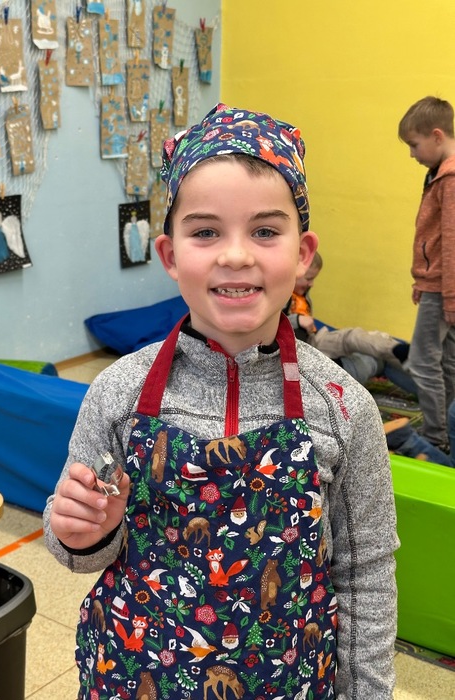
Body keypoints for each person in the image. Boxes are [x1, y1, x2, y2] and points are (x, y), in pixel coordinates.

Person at [43, 104, 399, 699]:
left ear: (303, 253)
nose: (235, 255)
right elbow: (73, 547)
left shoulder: (344, 407)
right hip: (134, 678)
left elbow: (366, 578)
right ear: (170, 255)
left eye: (265, 231)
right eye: (206, 232)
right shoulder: (119, 391)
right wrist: (82, 532)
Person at [398, 96, 455, 452]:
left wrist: (448, 296)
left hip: (445, 289)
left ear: (436, 136)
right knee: (446, 361)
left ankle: (436, 437)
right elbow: (432, 238)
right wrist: (422, 280)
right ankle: (447, 429)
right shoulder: (438, 174)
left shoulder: (450, 179)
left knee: (422, 362)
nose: (412, 154)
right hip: (437, 285)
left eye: (414, 145)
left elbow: (450, 242)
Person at [284, 251, 410, 385]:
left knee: (352, 337)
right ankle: (397, 353)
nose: (312, 284)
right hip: (303, 350)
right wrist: (296, 320)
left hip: (313, 340)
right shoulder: (281, 295)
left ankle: (397, 349)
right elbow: (273, 326)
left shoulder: (302, 295)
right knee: (362, 353)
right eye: (309, 279)